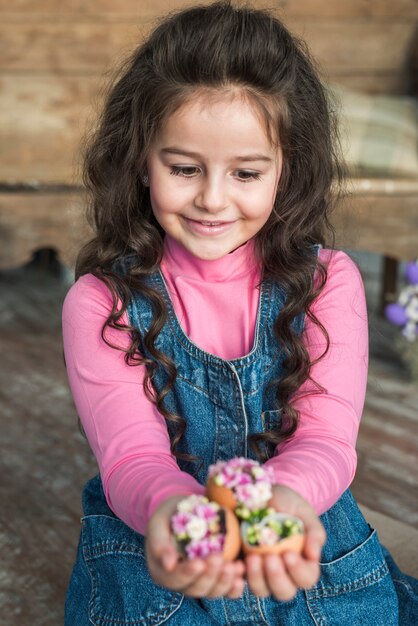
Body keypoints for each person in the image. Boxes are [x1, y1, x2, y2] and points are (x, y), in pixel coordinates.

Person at [62, 2, 417, 624]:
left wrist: (285, 500)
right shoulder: (101, 303)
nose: (212, 199)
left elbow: (328, 441)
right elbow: (131, 460)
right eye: (183, 168)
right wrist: (175, 515)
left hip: (302, 532)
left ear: (287, 170)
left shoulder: (328, 282)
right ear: (142, 161)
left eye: (247, 172)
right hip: (157, 543)